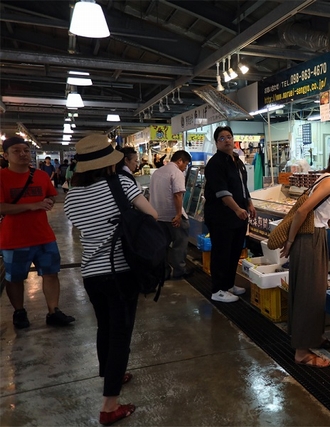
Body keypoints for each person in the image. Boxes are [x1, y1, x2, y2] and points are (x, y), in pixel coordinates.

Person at [64, 134, 157, 426]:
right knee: (121, 336)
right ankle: (109, 406)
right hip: (120, 272)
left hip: (91, 274)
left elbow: (83, 228)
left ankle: (111, 374)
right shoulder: (122, 184)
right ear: (109, 162)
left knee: (105, 327)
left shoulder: (71, 195)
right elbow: (151, 214)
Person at [280, 140, 330, 368]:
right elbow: (303, 211)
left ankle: (311, 338)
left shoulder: (328, 178)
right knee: (310, 294)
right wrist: (289, 241)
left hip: (314, 237)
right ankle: (301, 352)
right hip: (310, 239)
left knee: (312, 291)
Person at [0, 136, 75, 329]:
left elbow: (51, 194)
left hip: (43, 235)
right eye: (16, 151)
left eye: (25, 150)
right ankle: (19, 311)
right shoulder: (2, 177)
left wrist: (49, 201)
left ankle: (53, 311)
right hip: (14, 238)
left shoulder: (40, 175)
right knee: (15, 277)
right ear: (6, 155)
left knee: (51, 273)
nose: (23, 154)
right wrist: (33, 205)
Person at [204, 126, 255, 303]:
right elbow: (221, 192)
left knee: (234, 252)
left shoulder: (237, 161)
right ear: (216, 142)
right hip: (221, 216)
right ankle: (217, 289)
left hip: (238, 216)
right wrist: (237, 209)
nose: (226, 140)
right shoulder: (215, 163)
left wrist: (249, 203)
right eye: (221, 138)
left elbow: (242, 187)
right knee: (221, 252)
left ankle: (228, 284)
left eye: (229, 137)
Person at [149, 150, 192, 280]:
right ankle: (179, 271)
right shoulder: (176, 172)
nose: (185, 168)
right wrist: (178, 215)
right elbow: (177, 194)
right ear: (179, 161)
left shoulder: (157, 172)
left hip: (158, 216)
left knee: (163, 246)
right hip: (173, 217)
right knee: (180, 244)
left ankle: (165, 271)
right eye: (185, 164)